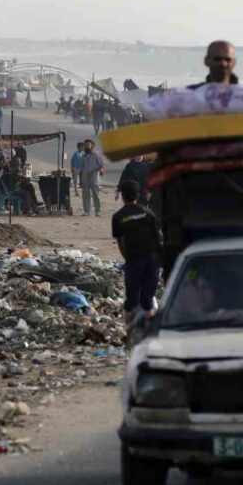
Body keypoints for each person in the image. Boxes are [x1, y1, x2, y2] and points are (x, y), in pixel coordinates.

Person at [113, 179, 163, 337]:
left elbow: (121, 242)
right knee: (148, 301)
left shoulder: (118, 216)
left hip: (134, 261)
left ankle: (129, 340)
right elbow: (159, 238)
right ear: (138, 195)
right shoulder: (149, 214)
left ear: (122, 196)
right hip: (152, 262)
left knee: (131, 303)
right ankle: (150, 339)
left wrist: (128, 259)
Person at [78, 139, 105, 217]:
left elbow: (101, 165)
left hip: (94, 178)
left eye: (88, 145)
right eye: (85, 145)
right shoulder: (83, 156)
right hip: (85, 178)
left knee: (96, 195)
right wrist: (80, 180)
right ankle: (86, 211)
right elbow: (81, 168)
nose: (86, 146)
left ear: (92, 146)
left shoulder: (96, 155)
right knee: (85, 195)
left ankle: (98, 211)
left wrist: (94, 170)